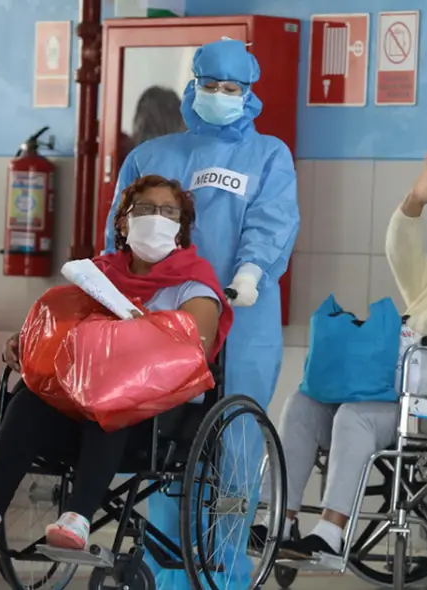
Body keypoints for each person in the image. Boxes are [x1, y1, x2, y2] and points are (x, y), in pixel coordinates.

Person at [0, 175, 233, 560]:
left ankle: (77, 520)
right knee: (29, 397)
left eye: (167, 211)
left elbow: (195, 344)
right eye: (144, 209)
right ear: (123, 222)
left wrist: (141, 330)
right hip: (77, 410)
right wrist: (26, 340)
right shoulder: (98, 275)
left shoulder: (194, 284)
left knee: (109, 396)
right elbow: (63, 329)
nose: (156, 218)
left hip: (154, 422)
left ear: (180, 226)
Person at [252, 155, 427, 559]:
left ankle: (330, 534)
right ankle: (277, 519)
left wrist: (423, 324)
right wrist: (415, 199)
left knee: (354, 414)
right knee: (303, 404)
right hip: (399, 404)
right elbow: (399, 247)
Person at [101, 38, 299, 587]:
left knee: (235, 445)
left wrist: (252, 271)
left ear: (249, 95)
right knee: (168, 444)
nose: (218, 96)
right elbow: (119, 232)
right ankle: (168, 566)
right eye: (209, 86)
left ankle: (226, 569)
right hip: (165, 322)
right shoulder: (152, 156)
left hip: (244, 319)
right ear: (193, 87)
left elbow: (273, 218)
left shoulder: (268, 155)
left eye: (230, 89)